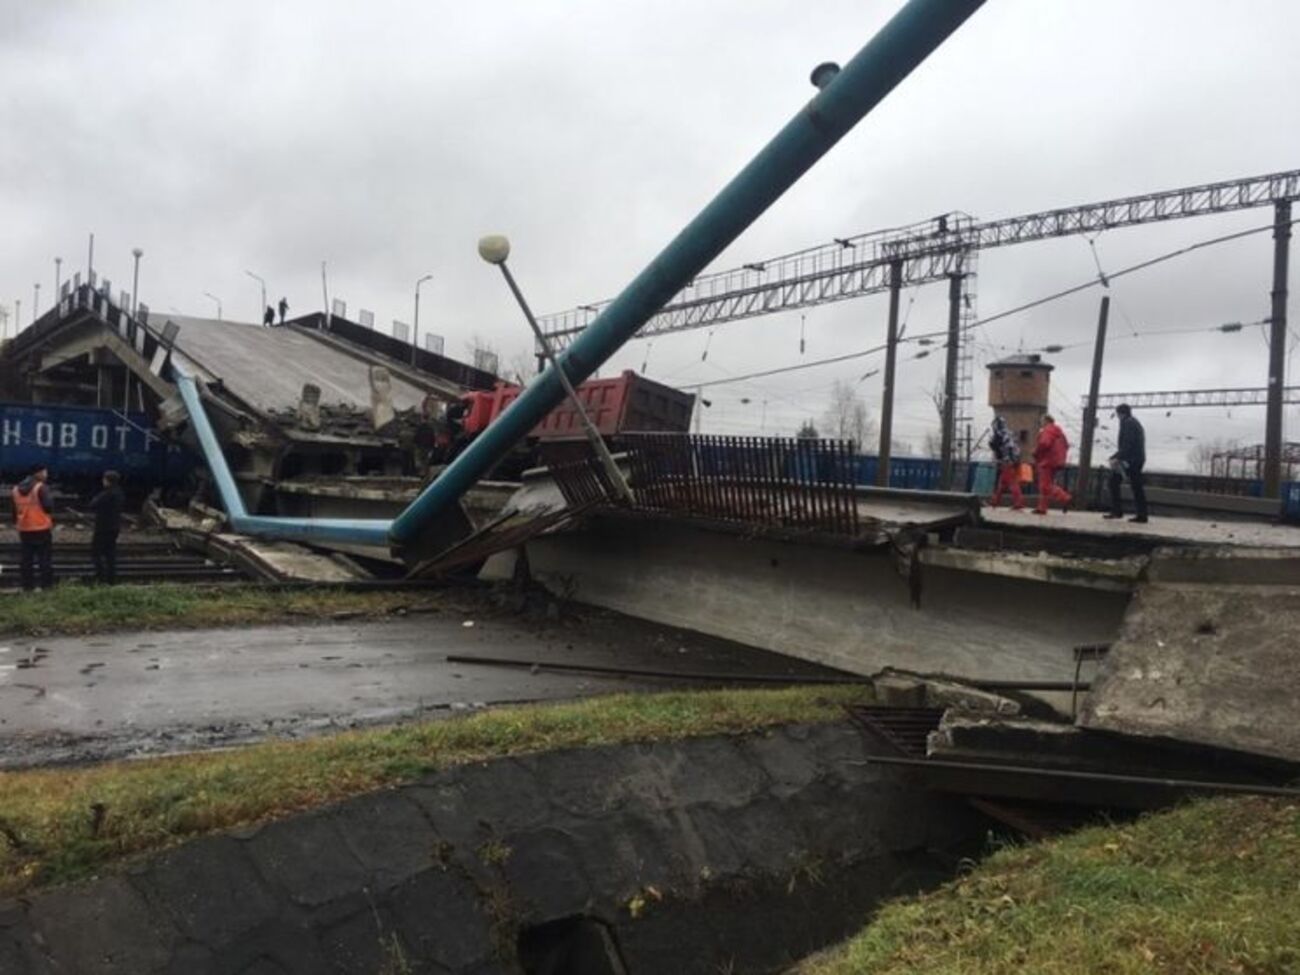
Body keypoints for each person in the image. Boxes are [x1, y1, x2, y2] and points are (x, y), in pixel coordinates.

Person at [11, 464, 54, 591]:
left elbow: (14, 512)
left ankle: (27, 587)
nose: (46, 475)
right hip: (41, 529)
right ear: (38, 473)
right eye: (45, 472)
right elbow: (48, 507)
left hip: (24, 530)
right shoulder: (41, 487)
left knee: (26, 560)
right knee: (44, 560)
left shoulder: (15, 489)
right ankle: (47, 587)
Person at [1106, 403, 1148, 523]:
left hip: (1131, 460)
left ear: (1121, 413)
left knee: (1116, 482)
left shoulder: (1128, 423)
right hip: (1135, 459)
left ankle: (1122, 511)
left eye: (1117, 414)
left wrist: (1116, 457)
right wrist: (1116, 456)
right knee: (1134, 486)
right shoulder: (1134, 422)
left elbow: (1127, 444)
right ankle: (1139, 514)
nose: (1117, 417)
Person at [89, 470, 125, 584]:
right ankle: (111, 578)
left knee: (96, 552)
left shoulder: (107, 493)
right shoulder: (120, 493)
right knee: (110, 553)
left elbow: (93, 504)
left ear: (107, 480)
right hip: (115, 527)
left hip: (103, 527)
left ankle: (100, 577)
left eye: (104, 479)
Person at [1032, 413, 1072, 515]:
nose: (1041, 423)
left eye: (1042, 421)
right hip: (1056, 461)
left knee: (1045, 486)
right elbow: (1066, 446)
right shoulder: (1059, 432)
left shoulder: (1048, 430)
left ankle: (1065, 497)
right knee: (1045, 485)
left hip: (1047, 460)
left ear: (1046, 421)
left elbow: (1044, 443)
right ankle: (1042, 508)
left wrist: (1036, 452)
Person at [987, 415, 1024, 510]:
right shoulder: (1009, 433)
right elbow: (1015, 446)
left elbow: (998, 446)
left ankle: (1018, 503)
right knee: (1002, 483)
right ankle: (994, 502)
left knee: (1011, 482)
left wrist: (1005, 460)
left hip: (1007, 461)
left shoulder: (999, 434)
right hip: (1014, 460)